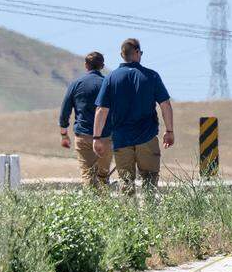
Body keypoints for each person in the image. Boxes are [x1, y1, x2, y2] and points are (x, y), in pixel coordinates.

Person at [92, 39, 174, 196]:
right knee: (150, 181)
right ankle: (150, 215)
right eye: (141, 53)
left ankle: (130, 217)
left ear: (122, 55)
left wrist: (96, 137)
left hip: (122, 140)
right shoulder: (151, 76)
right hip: (147, 137)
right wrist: (169, 131)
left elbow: (101, 110)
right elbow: (165, 105)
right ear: (136, 52)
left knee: (126, 182)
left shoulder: (111, 78)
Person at [60, 51, 112, 187]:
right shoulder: (108, 84)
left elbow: (65, 111)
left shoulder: (76, 84)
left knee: (88, 174)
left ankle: (91, 204)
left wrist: (64, 134)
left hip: (83, 137)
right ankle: (103, 206)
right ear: (102, 66)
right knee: (103, 176)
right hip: (105, 137)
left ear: (86, 65)